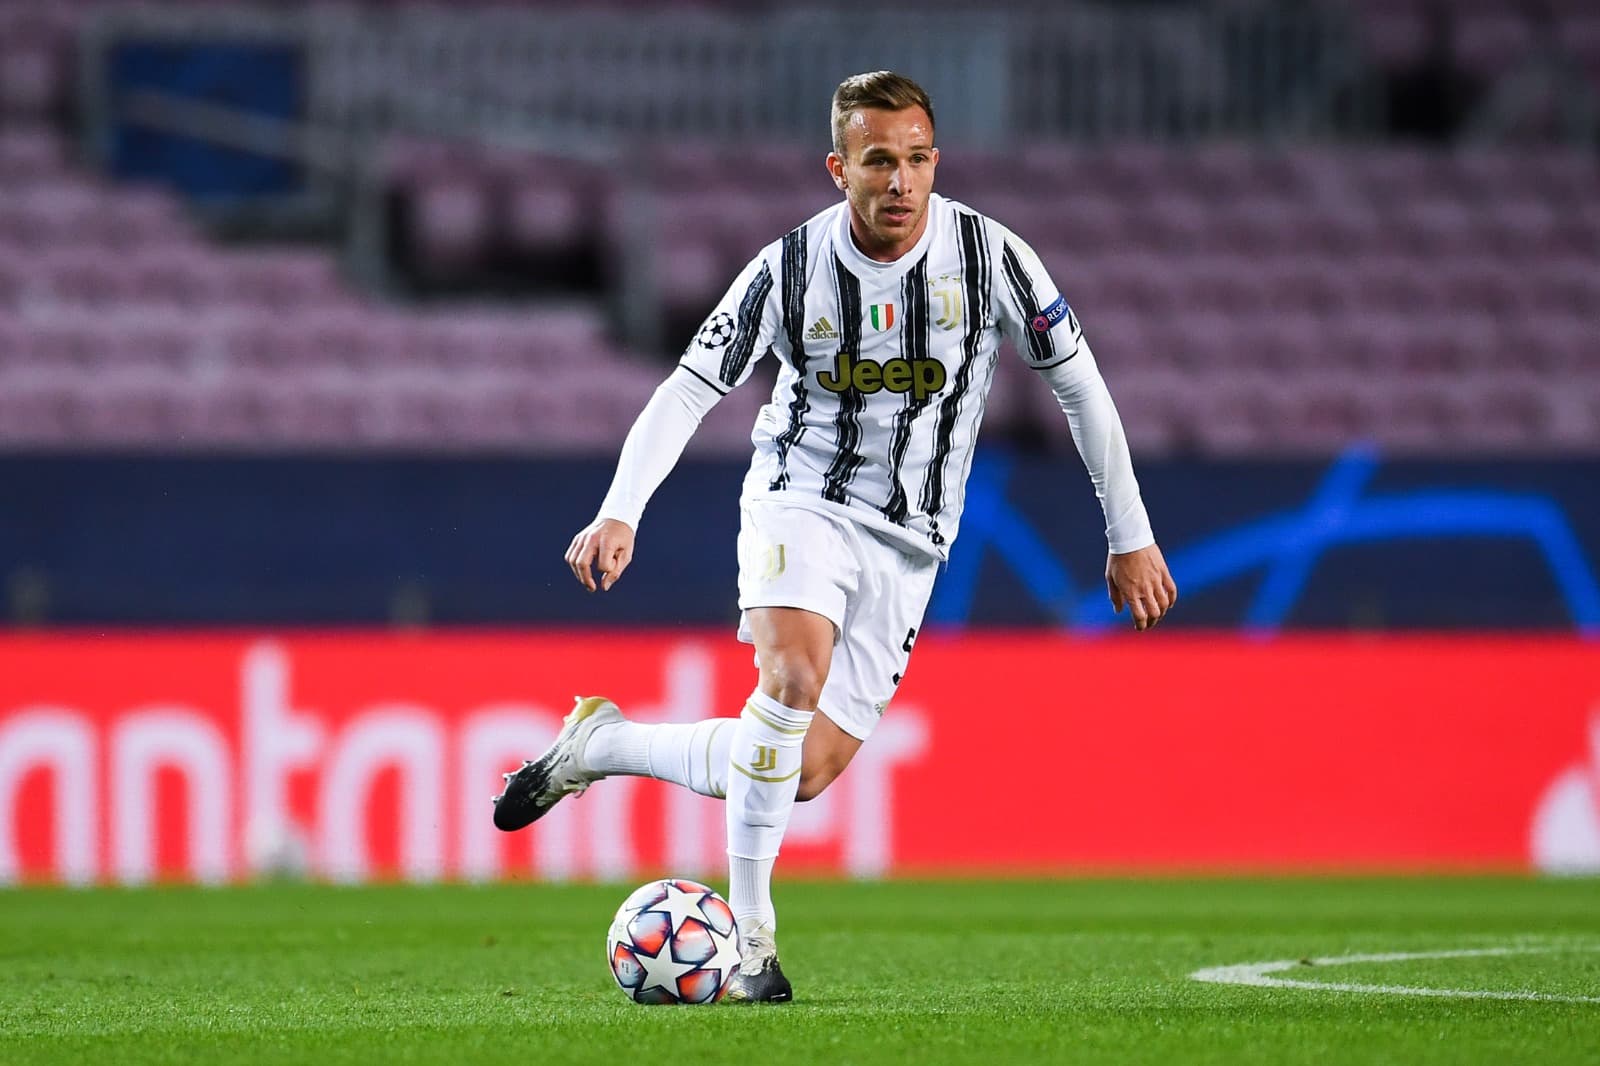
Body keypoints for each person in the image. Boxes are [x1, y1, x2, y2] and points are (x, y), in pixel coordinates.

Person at [494, 70, 1177, 1003]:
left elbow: (1080, 387)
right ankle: (752, 941)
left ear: (936, 162)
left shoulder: (993, 259)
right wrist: (623, 507)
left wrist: (1128, 533)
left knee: (804, 769)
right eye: (879, 161)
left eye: (918, 160)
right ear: (838, 168)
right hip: (801, 499)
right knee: (791, 678)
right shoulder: (787, 269)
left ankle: (599, 748)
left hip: (914, 540)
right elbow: (689, 388)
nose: (901, 181)